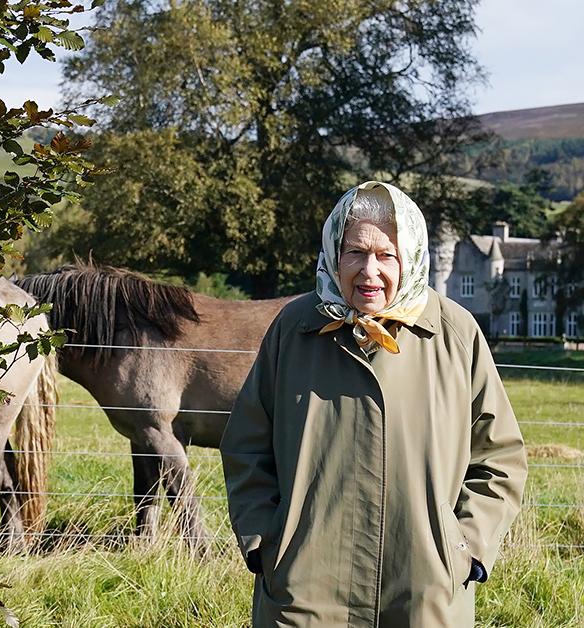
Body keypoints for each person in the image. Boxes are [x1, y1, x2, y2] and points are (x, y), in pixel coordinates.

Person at [220, 181, 527, 626]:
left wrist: (465, 551)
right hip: (304, 591)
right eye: (355, 252)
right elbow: (247, 446)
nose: (369, 271)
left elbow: (500, 457)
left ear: (413, 256)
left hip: (424, 592)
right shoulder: (294, 327)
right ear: (332, 254)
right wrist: (268, 545)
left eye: (387, 255)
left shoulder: (454, 333)